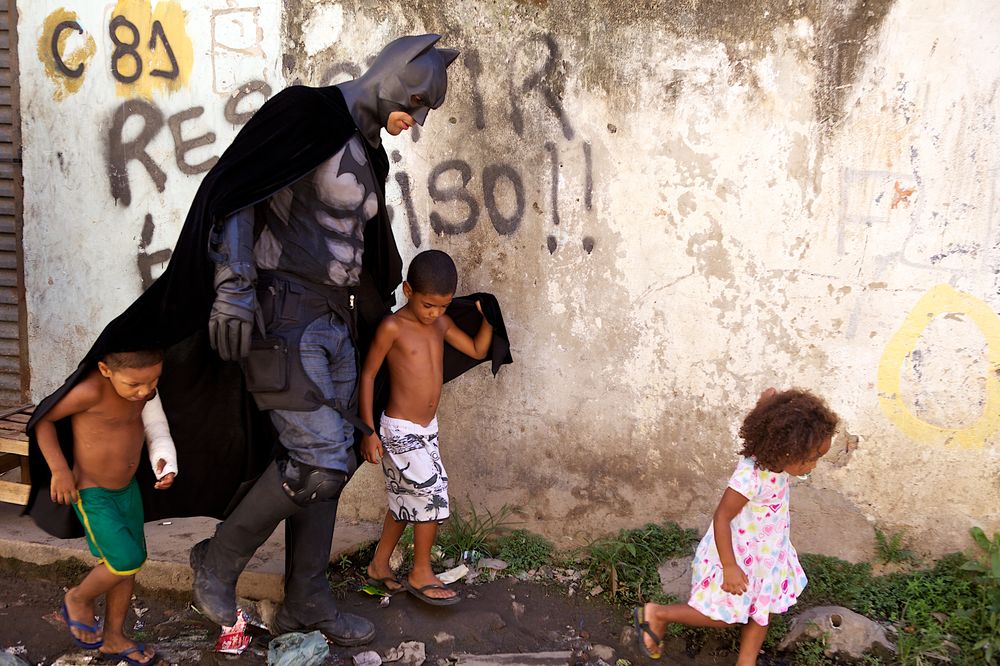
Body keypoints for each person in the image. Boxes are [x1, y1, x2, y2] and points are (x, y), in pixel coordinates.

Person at [187, 35, 460, 644]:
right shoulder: (305, 114)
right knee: (316, 460)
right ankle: (217, 560)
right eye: (415, 102)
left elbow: (368, 247)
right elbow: (236, 193)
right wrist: (232, 287)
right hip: (280, 312)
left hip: (334, 319)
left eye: (425, 112)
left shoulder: (369, 151)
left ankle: (306, 600)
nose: (414, 120)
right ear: (390, 75)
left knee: (330, 464)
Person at [633, 388, 839, 665]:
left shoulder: (774, 453)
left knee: (761, 608)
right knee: (722, 618)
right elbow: (721, 517)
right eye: (810, 457)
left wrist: (767, 402)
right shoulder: (750, 478)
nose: (813, 466)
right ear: (787, 447)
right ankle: (658, 614)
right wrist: (730, 566)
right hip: (735, 554)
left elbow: (768, 415)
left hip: (767, 555)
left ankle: (746, 661)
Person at [359, 250, 492, 605]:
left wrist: (488, 319)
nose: (435, 314)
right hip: (399, 429)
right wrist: (368, 430)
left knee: (406, 499)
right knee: (433, 492)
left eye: (443, 307)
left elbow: (478, 350)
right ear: (407, 291)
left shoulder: (441, 324)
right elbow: (369, 374)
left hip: (427, 429)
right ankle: (420, 572)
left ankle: (379, 565)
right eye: (429, 305)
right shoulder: (393, 327)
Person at [35, 350, 176, 665]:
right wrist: (59, 470)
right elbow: (43, 419)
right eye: (135, 384)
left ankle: (113, 637)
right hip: (93, 493)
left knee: (124, 569)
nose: (146, 390)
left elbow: (154, 428)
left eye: (154, 380)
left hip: (128, 491)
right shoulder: (90, 390)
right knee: (126, 560)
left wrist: (163, 462)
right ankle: (78, 597)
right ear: (105, 370)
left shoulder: (144, 390)